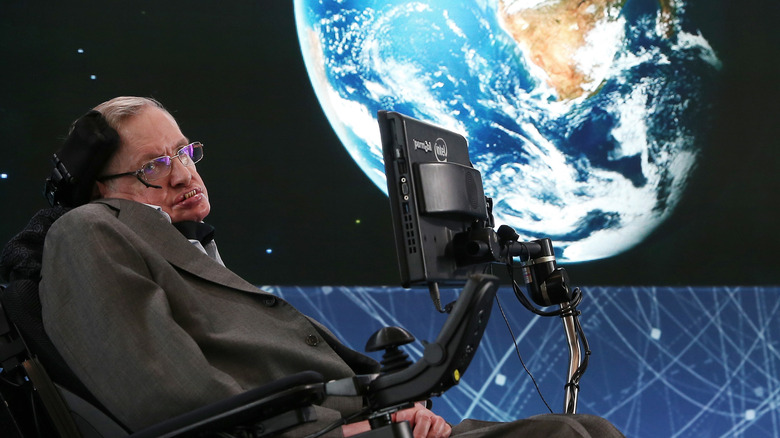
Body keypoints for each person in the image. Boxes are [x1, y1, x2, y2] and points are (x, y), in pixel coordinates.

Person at [26, 96, 623, 437]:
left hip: (351, 420)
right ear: (98, 189)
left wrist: (390, 409)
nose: (185, 173)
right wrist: (335, 430)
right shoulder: (87, 232)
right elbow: (168, 400)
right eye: (154, 166)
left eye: (184, 151)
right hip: (304, 435)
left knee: (592, 431)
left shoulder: (189, 251)